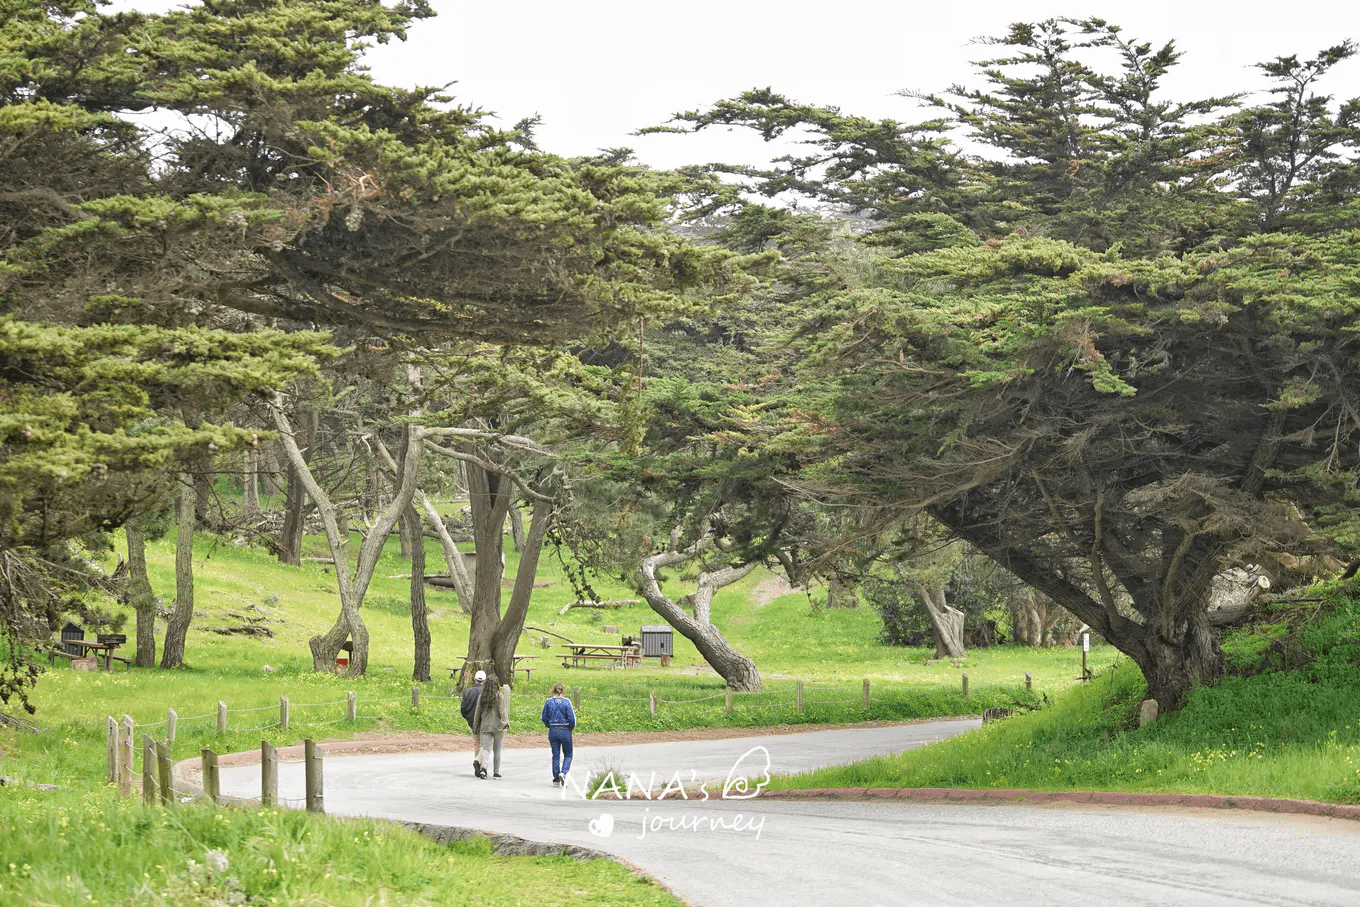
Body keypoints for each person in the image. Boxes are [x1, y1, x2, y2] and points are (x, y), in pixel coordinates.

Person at [472, 671, 510, 779]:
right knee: (497, 750)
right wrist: (505, 724)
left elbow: (477, 713)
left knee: (486, 748)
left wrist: (476, 726)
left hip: (485, 725)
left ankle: (483, 769)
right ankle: (496, 772)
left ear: (486, 684)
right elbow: (503, 711)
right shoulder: (500, 696)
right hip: (498, 727)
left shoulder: (482, 697)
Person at [540, 681, 576, 786]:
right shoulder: (566, 702)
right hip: (565, 729)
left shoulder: (548, 702)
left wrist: (548, 725)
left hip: (553, 730)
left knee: (555, 755)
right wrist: (571, 727)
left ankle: (556, 777)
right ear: (563, 691)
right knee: (568, 754)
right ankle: (563, 772)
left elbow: (544, 717)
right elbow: (571, 718)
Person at [460, 669, 486, 779]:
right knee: (486, 744)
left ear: (474, 679)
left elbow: (463, 709)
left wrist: (468, 718)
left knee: (476, 744)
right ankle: (478, 762)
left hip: (472, 722)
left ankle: (478, 765)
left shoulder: (467, 691)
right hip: (484, 722)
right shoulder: (485, 692)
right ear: (484, 680)